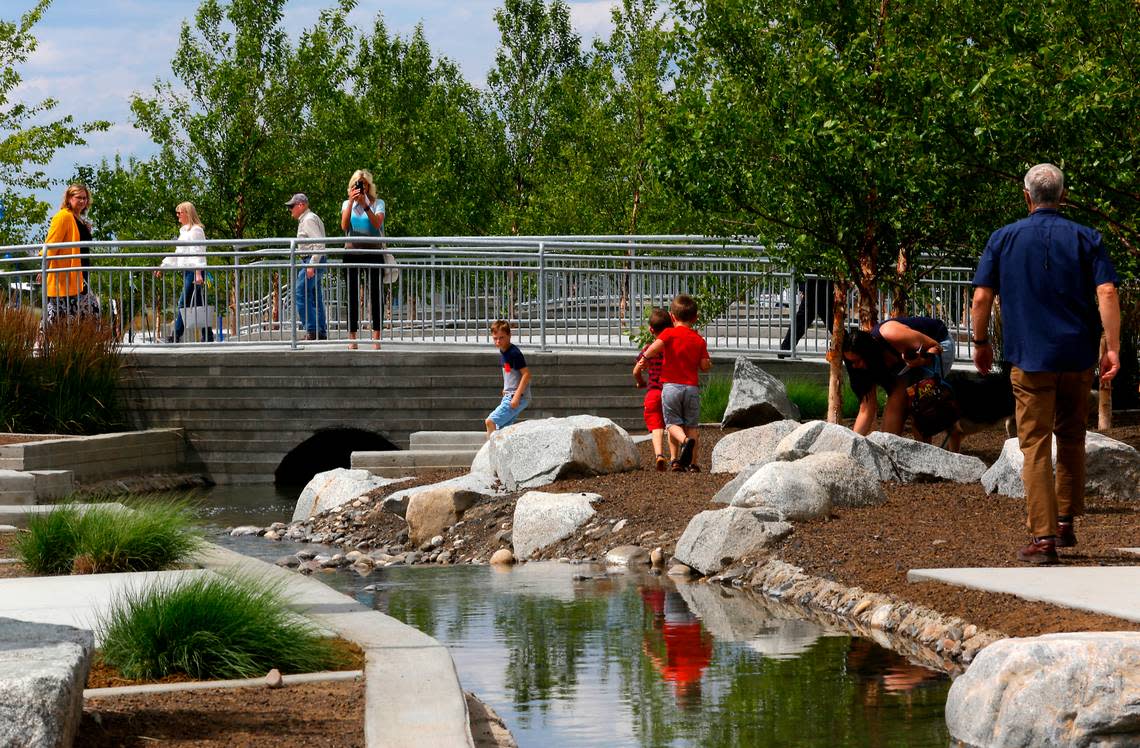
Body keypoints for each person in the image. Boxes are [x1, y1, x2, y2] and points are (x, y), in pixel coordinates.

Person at [971, 163, 1120, 565]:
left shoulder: (1003, 238)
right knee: (1072, 436)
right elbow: (1106, 290)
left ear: (1027, 196)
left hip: (1029, 356)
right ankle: (1066, 520)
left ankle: (1043, 537)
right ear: (1063, 196)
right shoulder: (1088, 237)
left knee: (1034, 443)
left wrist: (981, 342)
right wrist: (1113, 348)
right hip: (1077, 356)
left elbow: (982, 297)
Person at [842, 316, 954, 436]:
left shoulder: (891, 334)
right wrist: (852, 443)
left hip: (938, 346)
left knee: (920, 405)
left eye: (857, 361)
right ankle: (887, 447)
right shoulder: (859, 367)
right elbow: (866, 409)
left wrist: (921, 360)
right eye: (850, 362)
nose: (854, 366)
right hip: (906, 363)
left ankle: (925, 450)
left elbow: (935, 347)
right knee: (897, 398)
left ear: (868, 354)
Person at [639, 294, 712, 472]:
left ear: (672, 317)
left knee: (672, 424)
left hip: (671, 387)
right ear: (695, 318)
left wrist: (645, 360)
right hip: (691, 388)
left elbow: (654, 348)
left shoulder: (669, 333)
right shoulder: (699, 340)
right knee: (691, 426)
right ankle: (692, 464)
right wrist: (708, 362)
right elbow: (704, 367)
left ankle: (682, 448)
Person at [340, 169, 386, 350]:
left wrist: (366, 205)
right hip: (352, 253)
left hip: (374, 253)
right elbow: (344, 226)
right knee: (351, 295)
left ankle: (377, 338)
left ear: (369, 186)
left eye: (364, 184)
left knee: (376, 295)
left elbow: (377, 224)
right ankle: (352, 338)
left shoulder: (377, 203)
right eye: (357, 185)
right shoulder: (347, 203)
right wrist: (352, 202)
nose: (360, 188)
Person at [42, 184, 101, 325]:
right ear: (69, 198)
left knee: (73, 316)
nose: (82, 201)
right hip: (66, 276)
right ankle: (42, 343)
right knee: (57, 316)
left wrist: (86, 229)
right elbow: (51, 243)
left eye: (85, 198)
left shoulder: (79, 219)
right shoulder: (63, 217)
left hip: (79, 274)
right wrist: (43, 266)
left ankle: (75, 345)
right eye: (79, 197)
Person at [156, 202, 212, 343]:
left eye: (179, 213)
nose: (177, 216)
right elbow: (178, 253)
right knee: (198, 304)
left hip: (194, 271)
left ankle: (176, 335)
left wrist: (198, 273)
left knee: (183, 302)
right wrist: (164, 265)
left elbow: (198, 252)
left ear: (187, 213)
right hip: (188, 271)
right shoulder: (184, 232)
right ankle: (208, 335)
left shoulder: (196, 231)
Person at [633, 308, 675, 471]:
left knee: (656, 426)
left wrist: (640, 382)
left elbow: (636, 370)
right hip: (670, 390)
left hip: (653, 392)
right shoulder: (672, 349)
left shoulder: (648, 350)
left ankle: (659, 455)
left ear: (651, 330)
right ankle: (674, 458)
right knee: (672, 423)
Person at [286, 193, 328, 341]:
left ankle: (311, 329)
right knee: (315, 296)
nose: (290, 210)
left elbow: (319, 243)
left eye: (292, 206)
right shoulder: (310, 218)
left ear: (301, 205)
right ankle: (320, 331)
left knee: (300, 293)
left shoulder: (308, 220)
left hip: (312, 259)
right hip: (314, 260)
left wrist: (312, 264)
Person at [485, 320, 531, 436]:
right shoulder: (504, 351)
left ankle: (492, 453)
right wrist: (506, 387)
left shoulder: (514, 353)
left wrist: (516, 396)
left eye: (502, 338)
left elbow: (526, 374)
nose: (498, 341)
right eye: (495, 338)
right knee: (503, 430)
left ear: (509, 336)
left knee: (490, 421)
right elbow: (508, 371)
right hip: (510, 394)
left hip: (517, 396)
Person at [778, 275, 835, 357]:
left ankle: (785, 349)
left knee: (802, 320)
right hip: (818, 287)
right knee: (831, 321)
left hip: (817, 287)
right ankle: (785, 349)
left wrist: (803, 288)